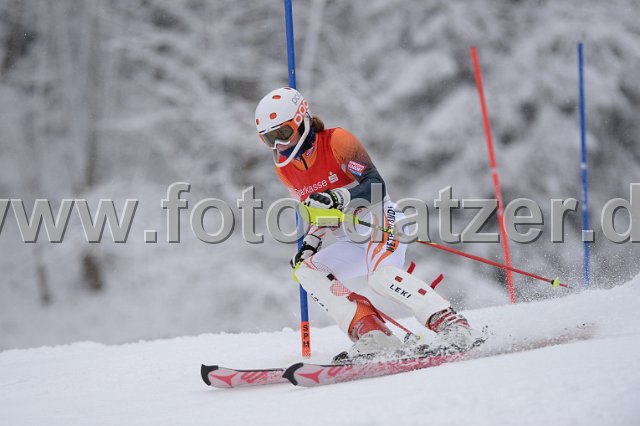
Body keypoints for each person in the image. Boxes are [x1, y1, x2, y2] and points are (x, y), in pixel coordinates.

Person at [254, 87, 481, 361]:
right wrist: (311, 243)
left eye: (284, 134)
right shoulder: (284, 168)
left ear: (302, 120)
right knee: (307, 271)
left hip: (380, 222)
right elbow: (317, 211)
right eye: (270, 139)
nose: (279, 145)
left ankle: (453, 325)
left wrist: (339, 197)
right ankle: (374, 334)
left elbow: (375, 185)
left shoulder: (337, 140)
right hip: (349, 238)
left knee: (381, 277)